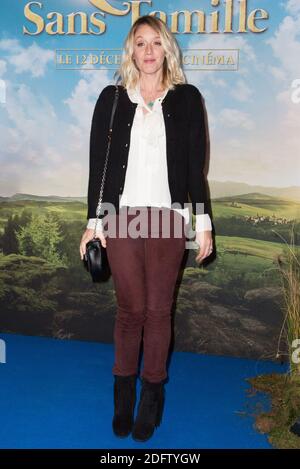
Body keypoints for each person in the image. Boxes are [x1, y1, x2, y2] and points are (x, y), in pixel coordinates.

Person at [79, 15, 213, 442]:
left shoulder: (187, 99)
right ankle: (122, 394)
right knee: (130, 311)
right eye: (141, 43)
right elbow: (97, 166)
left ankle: (151, 397)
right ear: (131, 50)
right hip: (123, 218)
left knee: (158, 312)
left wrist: (203, 223)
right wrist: (92, 223)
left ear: (167, 49)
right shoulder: (113, 99)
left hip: (169, 218)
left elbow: (196, 168)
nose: (149, 51)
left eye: (157, 42)